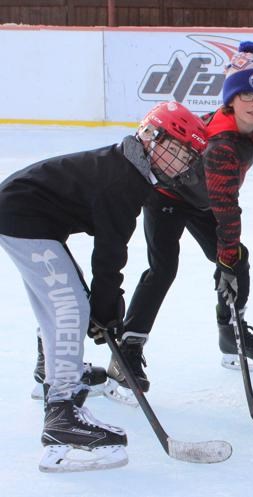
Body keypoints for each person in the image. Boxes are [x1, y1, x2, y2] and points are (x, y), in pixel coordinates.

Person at [0, 101, 206, 472]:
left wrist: (105, 310)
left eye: (188, 155)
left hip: (29, 216)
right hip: (21, 216)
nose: (184, 163)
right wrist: (108, 314)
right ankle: (62, 415)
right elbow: (109, 256)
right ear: (151, 138)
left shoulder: (131, 169)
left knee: (69, 297)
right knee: (69, 306)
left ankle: (51, 372)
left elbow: (108, 257)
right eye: (179, 150)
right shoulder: (124, 179)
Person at [104, 41, 253, 405]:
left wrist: (230, 260)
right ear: (230, 98)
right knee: (164, 268)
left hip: (205, 200)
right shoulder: (221, 144)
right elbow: (226, 208)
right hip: (168, 197)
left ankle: (231, 334)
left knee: (237, 258)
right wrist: (225, 261)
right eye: (246, 93)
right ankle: (128, 350)